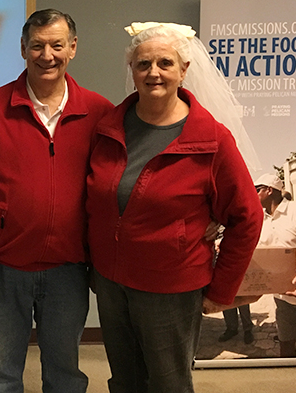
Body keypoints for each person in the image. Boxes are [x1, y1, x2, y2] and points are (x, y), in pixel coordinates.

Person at [86, 23, 263, 393]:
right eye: (143, 63)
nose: (153, 73)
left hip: (170, 288)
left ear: (183, 70)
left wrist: (221, 288)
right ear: (131, 70)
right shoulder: (107, 129)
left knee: (169, 384)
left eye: (165, 63)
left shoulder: (211, 139)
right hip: (111, 283)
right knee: (125, 381)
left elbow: (246, 216)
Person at [0, 9, 113, 392]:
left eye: (57, 45)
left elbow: (112, 191)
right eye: (37, 45)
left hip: (68, 270)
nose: (47, 55)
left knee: (65, 374)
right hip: (4, 269)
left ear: (73, 48)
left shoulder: (99, 113)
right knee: (4, 374)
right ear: (23, 48)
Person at [252, 173, 296, 357]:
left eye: (256, 191)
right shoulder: (262, 220)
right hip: (283, 300)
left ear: (269, 190)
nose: (252, 195)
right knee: (286, 346)